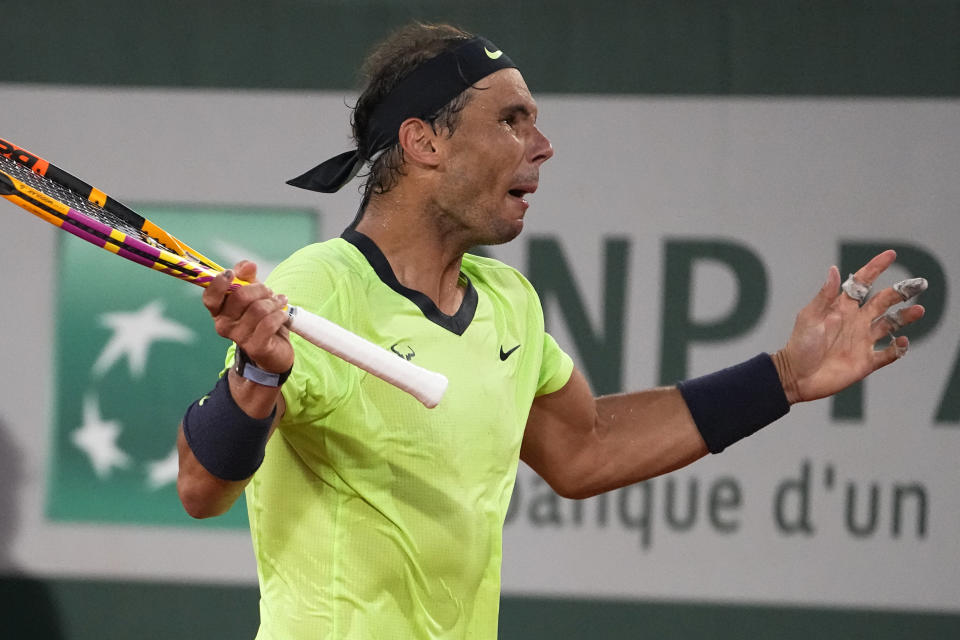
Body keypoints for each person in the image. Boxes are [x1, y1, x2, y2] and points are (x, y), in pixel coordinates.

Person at [175, 22, 926, 640]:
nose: (543, 145)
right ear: (424, 142)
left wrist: (784, 378)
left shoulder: (509, 303)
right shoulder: (323, 287)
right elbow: (201, 486)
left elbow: (584, 446)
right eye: (512, 120)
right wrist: (259, 377)